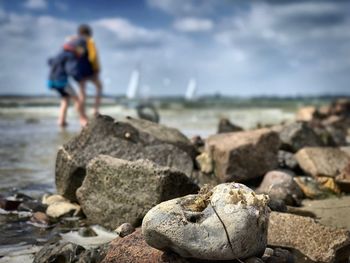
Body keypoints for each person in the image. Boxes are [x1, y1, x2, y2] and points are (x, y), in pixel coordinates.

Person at [48, 44, 88, 127]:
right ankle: (83, 120)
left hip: (50, 81)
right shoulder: (70, 56)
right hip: (61, 82)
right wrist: (79, 78)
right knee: (77, 99)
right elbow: (71, 70)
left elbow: (49, 61)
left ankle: (61, 121)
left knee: (65, 99)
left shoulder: (59, 54)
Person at [69, 24, 102, 117]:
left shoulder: (74, 41)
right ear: (89, 33)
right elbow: (93, 56)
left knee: (82, 91)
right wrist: (96, 69)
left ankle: (78, 110)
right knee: (99, 87)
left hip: (77, 70)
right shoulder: (89, 40)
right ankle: (95, 109)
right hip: (88, 69)